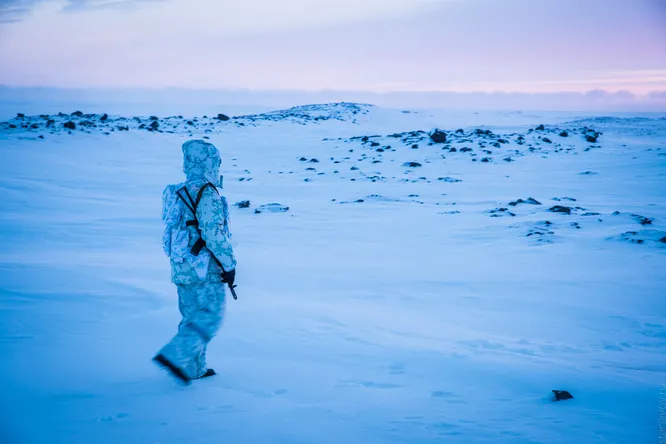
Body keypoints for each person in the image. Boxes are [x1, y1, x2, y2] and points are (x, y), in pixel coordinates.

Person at [153, 139, 236, 385]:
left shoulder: (177, 192)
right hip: (204, 268)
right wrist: (229, 265)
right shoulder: (206, 192)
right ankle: (175, 356)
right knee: (211, 315)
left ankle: (193, 368)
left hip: (181, 266)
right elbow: (213, 233)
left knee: (191, 316)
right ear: (209, 162)